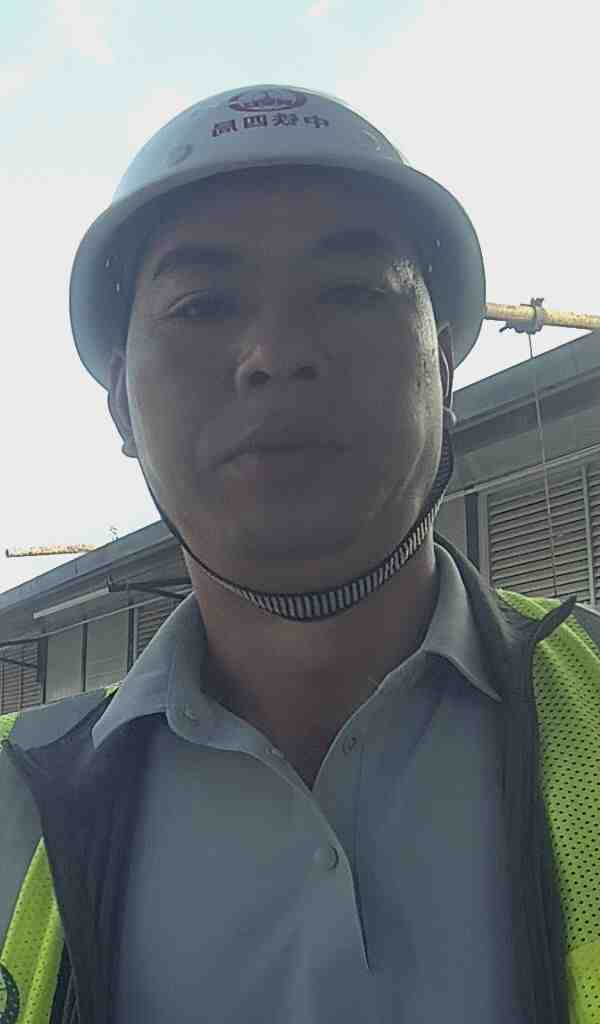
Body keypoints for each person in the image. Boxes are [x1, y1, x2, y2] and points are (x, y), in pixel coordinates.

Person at [1, 85, 599, 1024]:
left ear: (444, 365)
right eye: (201, 305)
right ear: (121, 407)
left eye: (353, 291)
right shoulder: (14, 803)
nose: (274, 353)